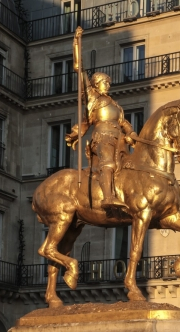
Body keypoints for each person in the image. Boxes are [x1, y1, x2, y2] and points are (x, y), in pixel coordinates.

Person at [65, 26, 135, 212]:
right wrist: (76, 44)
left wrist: (132, 133)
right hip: (102, 138)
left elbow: (124, 123)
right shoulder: (93, 98)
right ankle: (108, 197)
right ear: (96, 84)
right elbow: (80, 70)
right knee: (108, 164)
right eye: (105, 82)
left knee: (131, 169)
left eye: (109, 83)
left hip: (119, 141)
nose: (108, 85)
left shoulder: (116, 105)